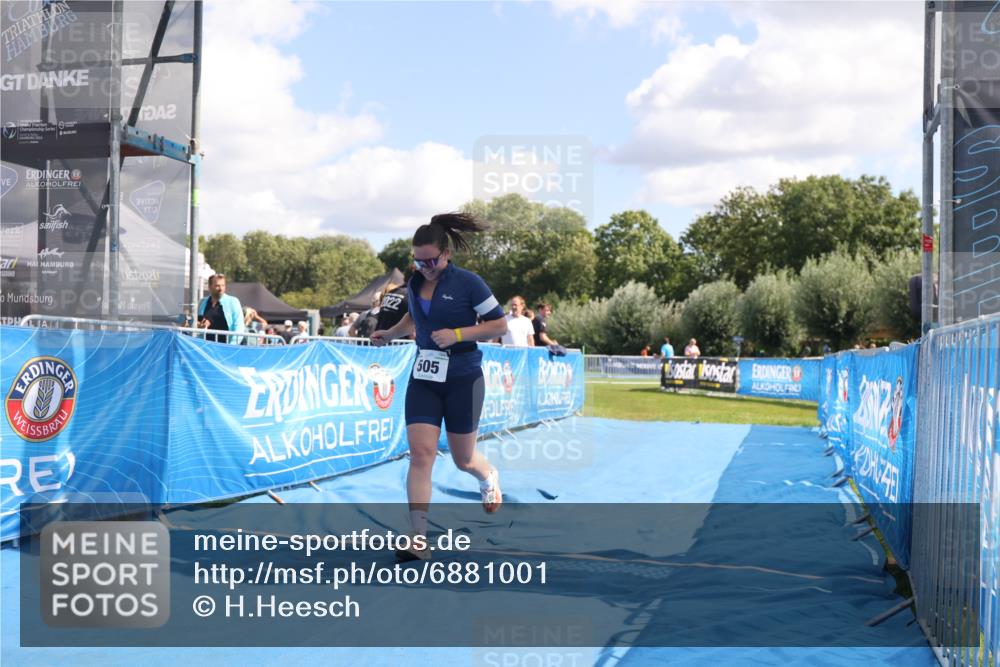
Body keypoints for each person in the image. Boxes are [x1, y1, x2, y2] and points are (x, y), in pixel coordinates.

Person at [371, 213, 508, 561]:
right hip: (425, 377)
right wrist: (389, 334)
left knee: (463, 459)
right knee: (421, 455)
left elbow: (499, 324)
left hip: (464, 377)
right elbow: (412, 319)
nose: (426, 267)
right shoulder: (415, 283)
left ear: (446, 254)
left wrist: (459, 334)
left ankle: (488, 474)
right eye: (419, 261)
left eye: (432, 260)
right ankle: (418, 538)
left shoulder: (469, 283)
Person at [197, 274, 245, 344]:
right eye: (217, 286)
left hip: (225, 347)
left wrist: (231, 347)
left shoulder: (233, 302)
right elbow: (197, 322)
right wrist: (199, 325)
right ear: (209, 287)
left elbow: (239, 327)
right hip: (204, 347)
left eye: (223, 285)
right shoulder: (202, 302)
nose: (221, 289)